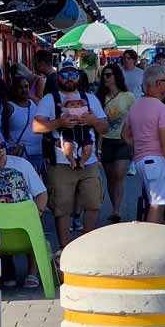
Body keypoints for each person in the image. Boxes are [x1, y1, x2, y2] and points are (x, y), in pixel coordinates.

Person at [33, 62, 108, 249]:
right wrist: (58, 122)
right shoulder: (50, 100)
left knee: (93, 203)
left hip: (88, 161)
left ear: (79, 76)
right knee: (62, 209)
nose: (69, 79)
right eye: (64, 75)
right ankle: (65, 250)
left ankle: (84, 246)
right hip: (60, 162)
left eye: (72, 74)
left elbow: (105, 126)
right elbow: (36, 127)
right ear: (58, 77)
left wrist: (93, 120)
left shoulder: (90, 99)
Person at [0, 131, 47, 289]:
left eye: (2, 146)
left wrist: (38, 212)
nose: (1, 151)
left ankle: (32, 272)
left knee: (36, 222)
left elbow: (41, 193)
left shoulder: (21, 165)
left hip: (24, 225)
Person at [122, 66, 165, 224]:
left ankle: (154, 241)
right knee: (157, 206)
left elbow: (125, 134)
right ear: (157, 83)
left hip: (141, 159)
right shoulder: (163, 109)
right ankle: (153, 243)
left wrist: (139, 146)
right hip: (157, 160)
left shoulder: (136, 106)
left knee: (154, 203)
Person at [97, 64, 135, 223]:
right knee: (110, 177)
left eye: (109, 75)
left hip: (122, 140)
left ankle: (117, 210)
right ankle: (114, 207)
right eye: (103, 76)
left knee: (119, 174)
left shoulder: (128, 96)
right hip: (105, 140)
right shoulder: (99, 97)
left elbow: (134, 118)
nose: (106, 78)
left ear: (116, 76)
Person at [0, 73, 44, 174]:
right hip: (20, 155)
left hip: (39, 154)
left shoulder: (35, 103)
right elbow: (1, 129)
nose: (24, 90)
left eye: (26, 87)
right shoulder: (9, 107)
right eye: (20, 87)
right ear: (14, 89)